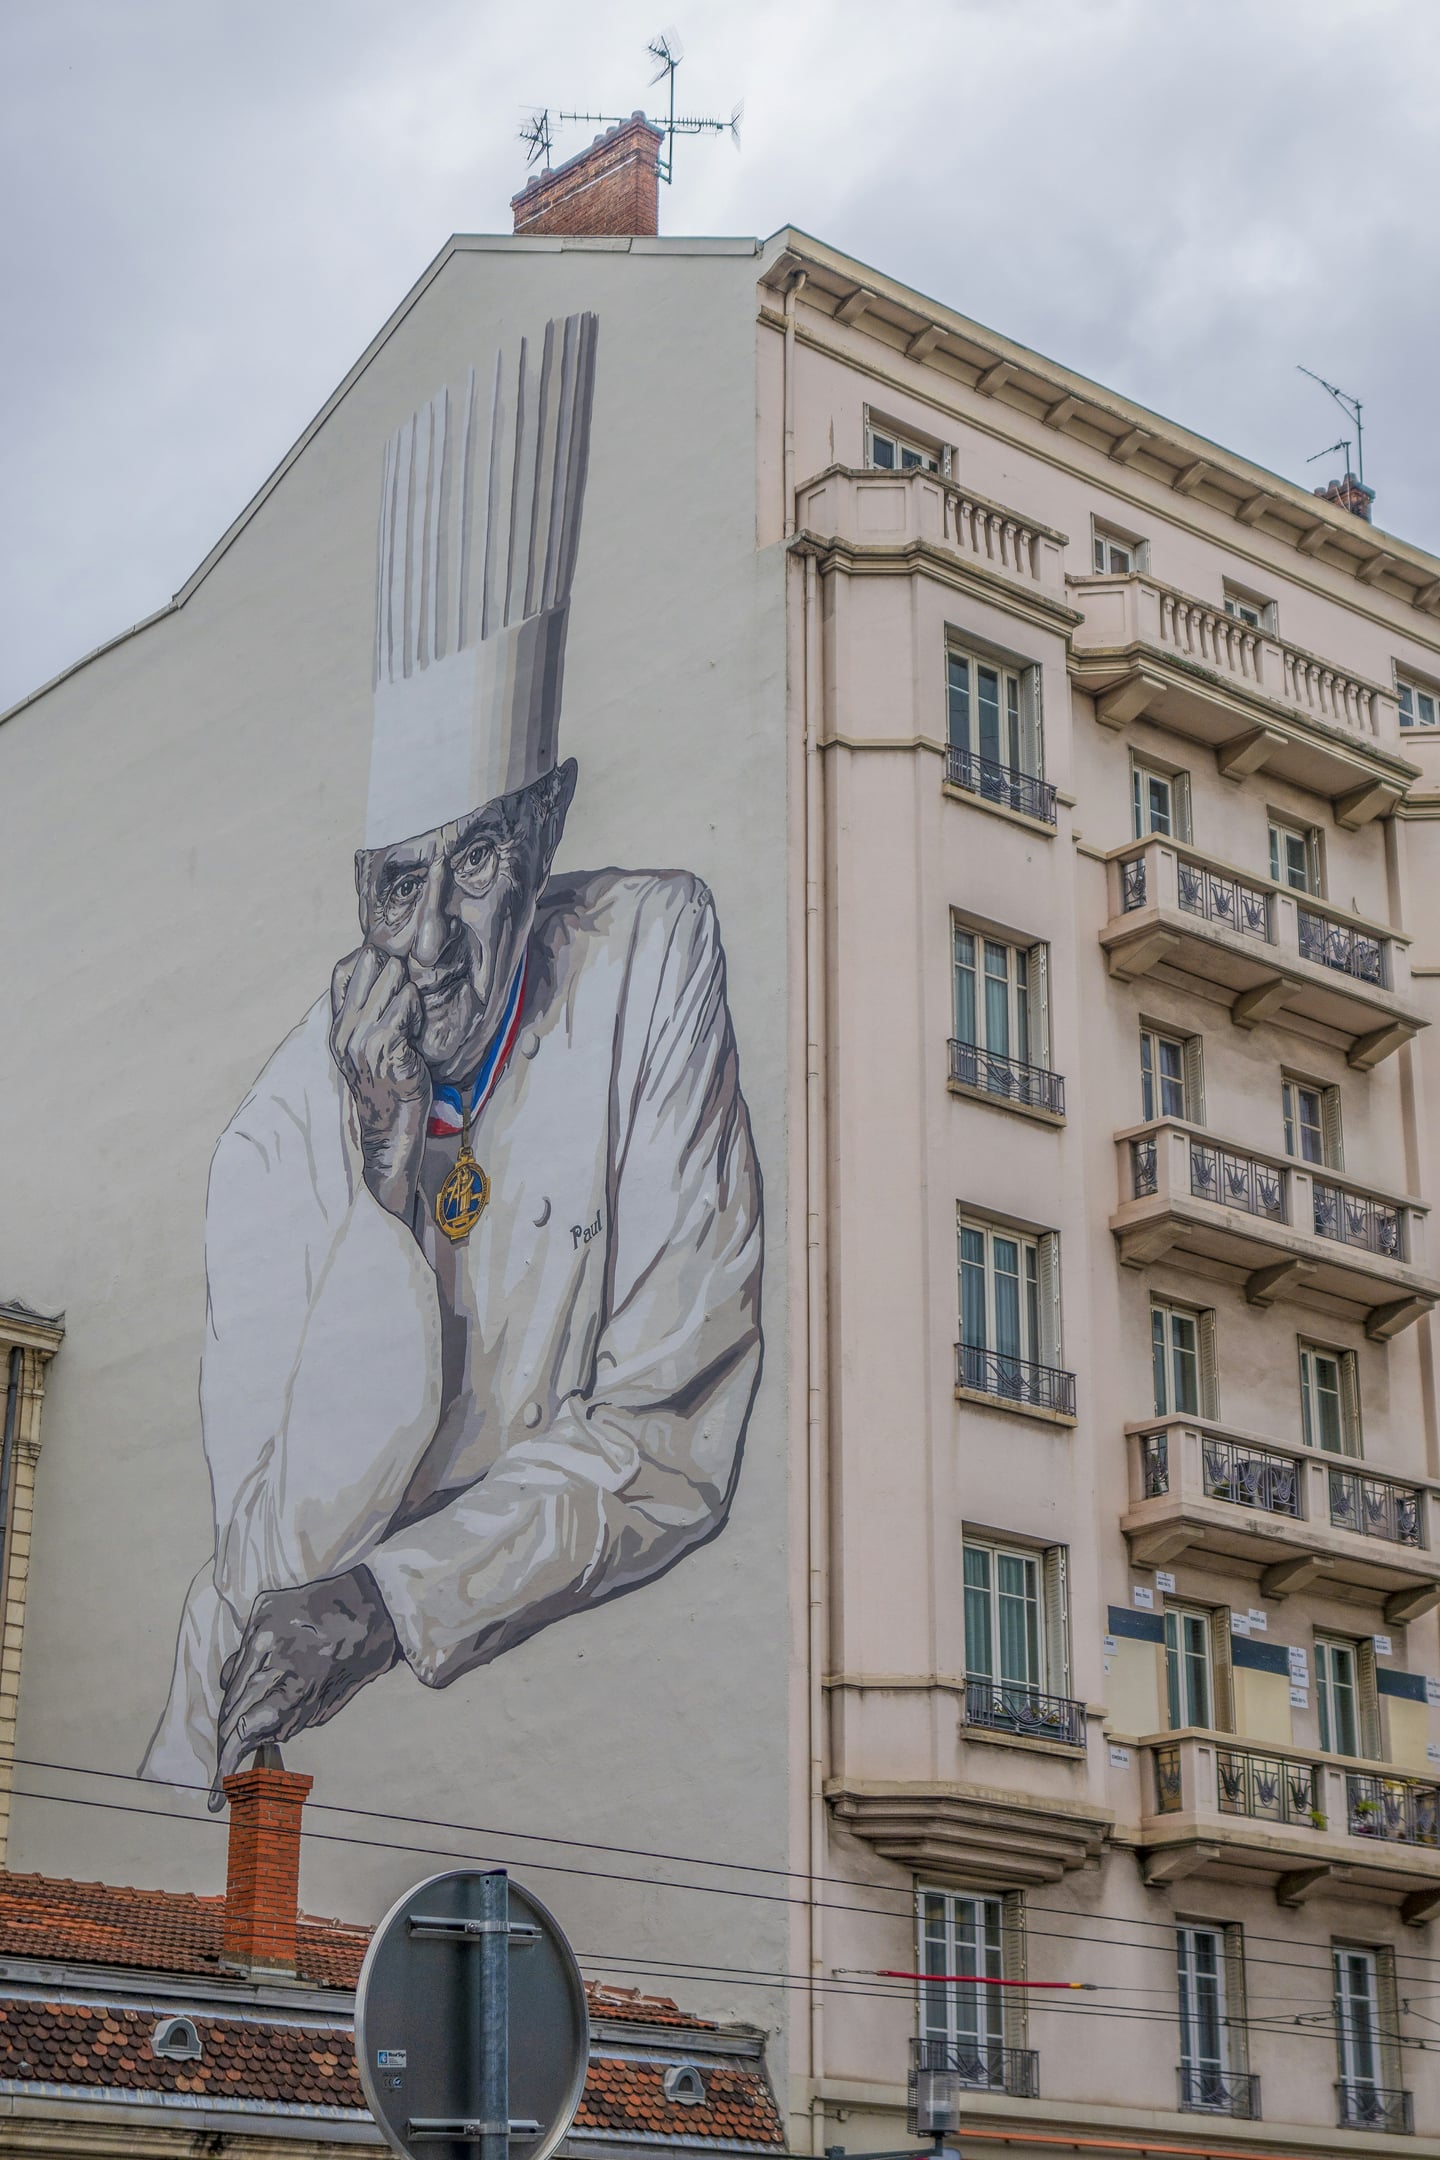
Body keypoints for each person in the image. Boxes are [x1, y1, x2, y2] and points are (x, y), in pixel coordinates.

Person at [142, 312, 764, 1800]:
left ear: (545, 835)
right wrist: (377, 1179)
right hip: (252, 1759)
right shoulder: (276, 1136)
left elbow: (670, 1439)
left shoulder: (652, 950)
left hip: (544, 1741)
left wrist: (402, 1598)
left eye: (475, 863)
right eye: (390, 884)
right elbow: (291, 1546)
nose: (427, 940)